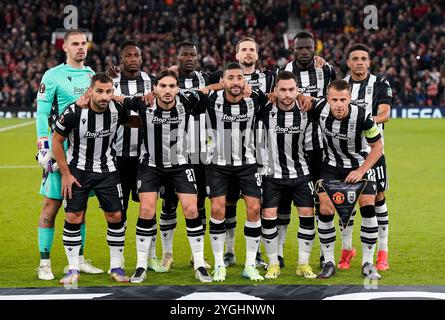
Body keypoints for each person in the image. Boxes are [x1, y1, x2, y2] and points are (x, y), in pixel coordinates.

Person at [113, 70, 213, 283]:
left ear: (177, 88)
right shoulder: (143, 103)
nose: (167, 91)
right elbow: (118, 97)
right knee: (147, 209)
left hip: (180, 165)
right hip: (150, 166)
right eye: (163, 86)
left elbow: (206, 90)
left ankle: (199, 263)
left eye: (171, 86)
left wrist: (222, 85)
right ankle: (141, 266)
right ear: (155, 88)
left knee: (192, 209)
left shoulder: (187, 100)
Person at [52, 73, 139, 284]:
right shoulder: (74, 111)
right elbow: (57, 141)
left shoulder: (117, 110)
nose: (104, 96)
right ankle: (73, 269)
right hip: (77, 171)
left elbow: (138, 122)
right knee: (74, 217)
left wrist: (125, 100)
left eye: (109, 91)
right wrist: (65, 174)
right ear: (90, 91)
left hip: (108, 170)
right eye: (99, 91)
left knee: (116, 216)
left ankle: (116, 267)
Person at [35, 29, 102, 280]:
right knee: (51, 206)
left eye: (83, 43)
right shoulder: (53, 76)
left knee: (79, 208)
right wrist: (43, 147)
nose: (80, 47)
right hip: (58, 149)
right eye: (75, 44)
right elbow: (42, 113)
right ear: (65, 47)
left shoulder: (92, 75)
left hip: (83, 152)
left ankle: (78, 260)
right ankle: (44, 263)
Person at [306, 79, 383, 280]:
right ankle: (329, 262)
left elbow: (378, 147)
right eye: (334, 99)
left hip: (359, 165)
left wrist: (361, 170)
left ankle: (368, 262)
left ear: (350, 98)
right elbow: (300, 99)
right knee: (325, 208)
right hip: (330, 166)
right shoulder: (320, 107)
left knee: (368, 205)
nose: (339, 104)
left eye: (343, 99)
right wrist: (299, 96)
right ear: (327, 99)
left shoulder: (363, 116)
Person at [205, 62, 266, 282]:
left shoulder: (255, 99)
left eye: (239, 77)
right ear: (223, 82)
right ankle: (219, 263)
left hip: (247, 163)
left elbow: (277, 96)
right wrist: (206, 89)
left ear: (244, 81)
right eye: (230, 78)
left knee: (254, 209)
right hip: (217, 164)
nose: (235, 82)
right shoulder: (211, 99)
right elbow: (186, 94)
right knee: (218, 210)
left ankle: (250, 264)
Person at [109, 40, 166, 273]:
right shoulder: (111, 83)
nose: (133, 59)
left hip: (146, 157)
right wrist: (139, 119)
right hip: (118, 157)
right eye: (128, 55)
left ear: (142, 58)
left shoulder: (151, 82)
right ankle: (119, 260)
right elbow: (114, 117)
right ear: (121, 60)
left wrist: (134, 119)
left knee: (148, 209)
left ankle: (150, 257)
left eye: (137, 55)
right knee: (118, 211)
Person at [281, 30, 336, 268]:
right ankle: (279, 255)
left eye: (308, 47)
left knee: (323, 202)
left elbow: (335, 98)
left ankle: (326, 256)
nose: (304, 51)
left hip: (320, 149)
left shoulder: (327, 70)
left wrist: (310, 99)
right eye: (299, 48)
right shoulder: (283, 73)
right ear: (293, 49)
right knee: (283, 203)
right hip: (291, 149)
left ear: (315, 48)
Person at [257, 71, 317, 279]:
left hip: (301, 174)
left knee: (308, 217)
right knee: (269, 217)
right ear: (275, 91)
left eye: (291, 89)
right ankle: (273, 263)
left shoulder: (307, 111)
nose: (287, 94)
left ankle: (303, 263)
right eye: (282, 90)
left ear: (297, 91)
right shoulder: (264, 110)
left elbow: (310, 147)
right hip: (271, 174)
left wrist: (310, 98)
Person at [159, 41, 211, 271]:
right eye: (184, 54)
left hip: (200, 150)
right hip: (172, 150)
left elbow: (233, 76)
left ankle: (196, 256)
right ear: (177, 57)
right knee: (169, 202)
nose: (189, 58)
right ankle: (167, 253)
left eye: (193, 54)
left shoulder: (206, 78)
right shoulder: (165, 80)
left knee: (198, 203)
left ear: (197, 58)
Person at [340, 43, 392, 271]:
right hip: (346, 152)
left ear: (369, 62)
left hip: (373, 151)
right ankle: (347, 248)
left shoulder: (379, 83)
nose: (360, 62)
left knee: (378, 198)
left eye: (364, 58)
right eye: (355, 58)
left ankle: (382, 251)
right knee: (346, 201)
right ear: (348, 62)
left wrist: (363, 120)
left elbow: (385, 114)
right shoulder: (342, 85)